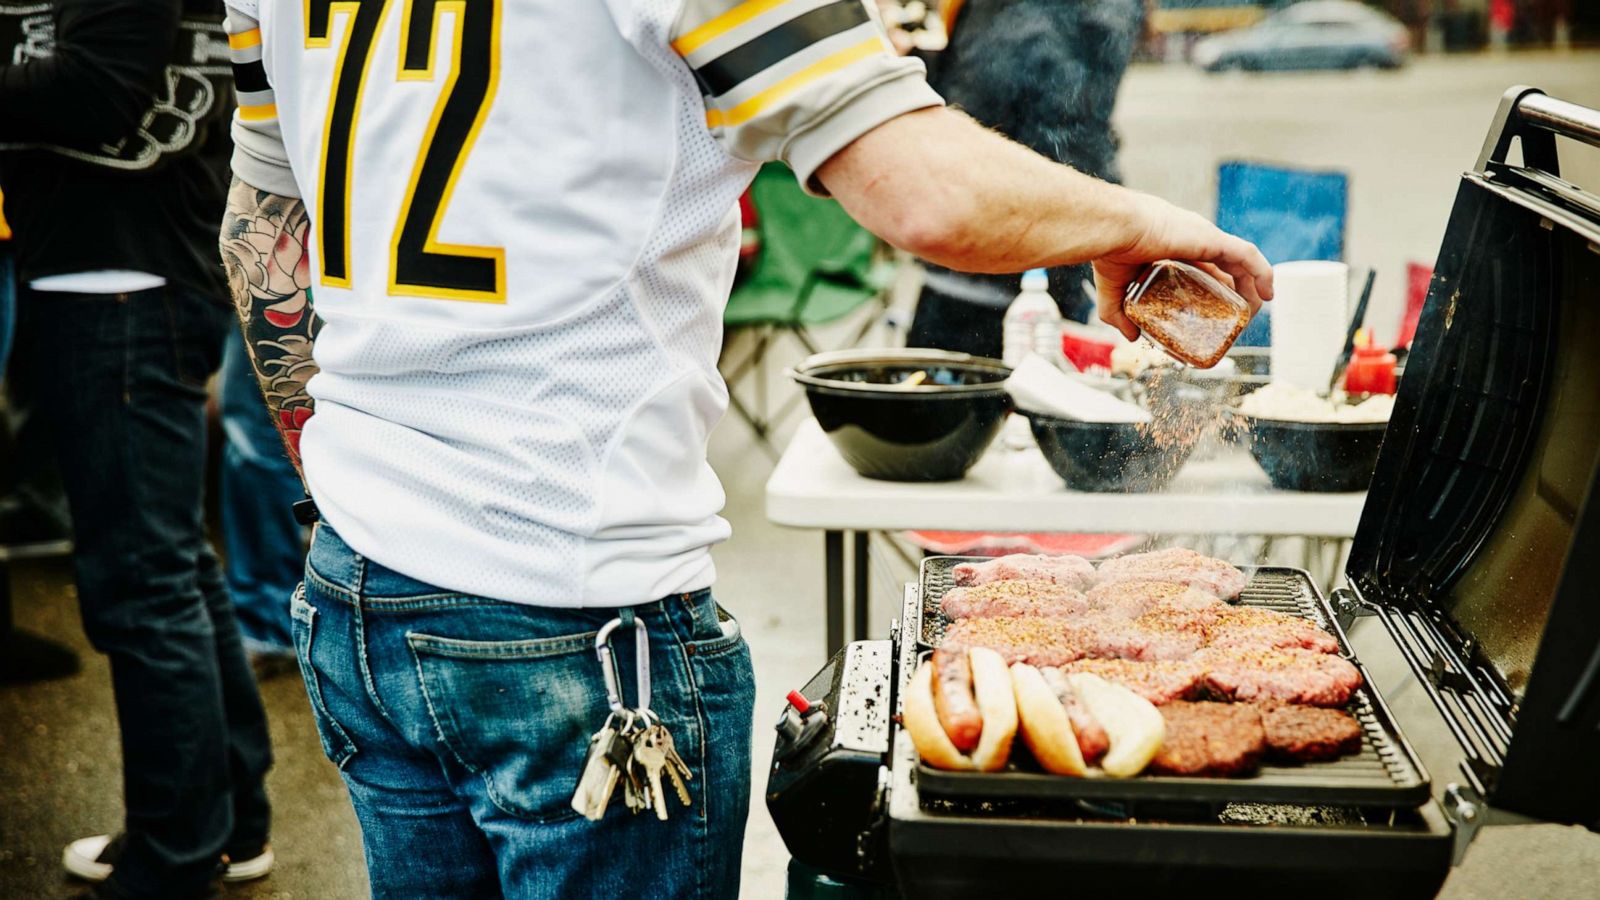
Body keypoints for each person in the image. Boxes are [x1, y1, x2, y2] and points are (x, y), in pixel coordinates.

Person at [219, 1, 1269, 897]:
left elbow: (263, 232)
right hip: (577, 615)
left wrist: (341, 473)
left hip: (359, 580)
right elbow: (927, 191)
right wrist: (1138, 221)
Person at [0, 1, 275, 897]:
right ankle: (220, 823)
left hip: (119, 282)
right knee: (170, 570)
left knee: (143, 585)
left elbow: (96, 89)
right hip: (118, 274)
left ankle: (178, 851)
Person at [907, 0, 1147, 356]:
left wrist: (911, 73)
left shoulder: (1022, 16)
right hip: (1060, 245)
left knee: (965, 399)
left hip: (992, 265)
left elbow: (984, 111)